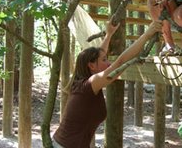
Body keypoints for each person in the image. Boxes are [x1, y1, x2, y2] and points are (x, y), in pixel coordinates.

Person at [52, 18, 162, 148]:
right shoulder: (89, 84)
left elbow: (99, 55)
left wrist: (109, 34)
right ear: (91, 66)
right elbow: (120, 62)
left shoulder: (84, 81)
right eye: (105, 60)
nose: (109, 63)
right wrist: (147, 34)